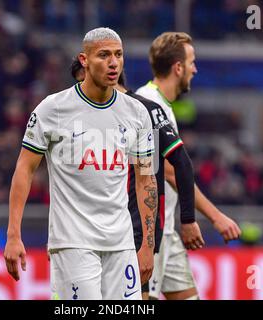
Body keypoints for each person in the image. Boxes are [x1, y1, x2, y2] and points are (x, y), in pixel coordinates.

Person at [4, 27, 157, 300]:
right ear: (84, 60)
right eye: (104, 55)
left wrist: (147, 243)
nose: (113, 62)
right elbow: (24, 170)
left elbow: (146, 178)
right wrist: (13, 235)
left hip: (121, 244)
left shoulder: (137, 113)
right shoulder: (53, 109)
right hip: (72, 242)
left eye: (118, 55)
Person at [70, 59, 204, 299]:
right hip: (102, 232)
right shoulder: (90, 120)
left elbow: (180, 164)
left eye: (84, 81)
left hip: (141, 231)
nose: (82, 90)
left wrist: (187, 219)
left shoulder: (146, 110)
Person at [136, 32, 242, 300]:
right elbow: (171, 172)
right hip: (150, 235)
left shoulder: (163, 105)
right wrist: (215, 217)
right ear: (178, 67)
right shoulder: (147, 103)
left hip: (168, 230)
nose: (195, 69)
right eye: (192, 62)